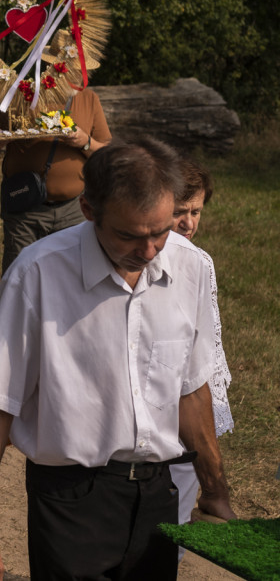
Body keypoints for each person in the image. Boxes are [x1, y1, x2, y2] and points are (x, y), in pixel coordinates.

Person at [0, 138, 236, 581]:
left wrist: (216, 489)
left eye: (160, 232)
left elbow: (191, 387)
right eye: (129, 235)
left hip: (158, 497)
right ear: (88, 210)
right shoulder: (37, 273)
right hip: (70, 501)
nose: (149, 252)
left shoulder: (192, 268)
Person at [0, 31, 111, 270]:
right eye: (70, 67)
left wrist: (85, 142)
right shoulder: (20, 95)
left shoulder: (89, 99)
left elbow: (107, 155)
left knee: (72, 276)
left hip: (74, 209)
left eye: (80, 68)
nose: (79, 73)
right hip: (25, 208)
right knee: (21, 275)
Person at [169, 158, 233, 535]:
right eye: (180, 211)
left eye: (196, 212)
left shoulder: (198, 262)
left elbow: (205, 344)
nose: (189, 223)